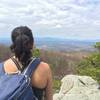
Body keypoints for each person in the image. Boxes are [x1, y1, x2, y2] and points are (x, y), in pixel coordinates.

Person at [3, 26, 53, 100]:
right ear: (32, 43)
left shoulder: (3, 67)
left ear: (14, 44)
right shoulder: (45, 69)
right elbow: (49, 98)